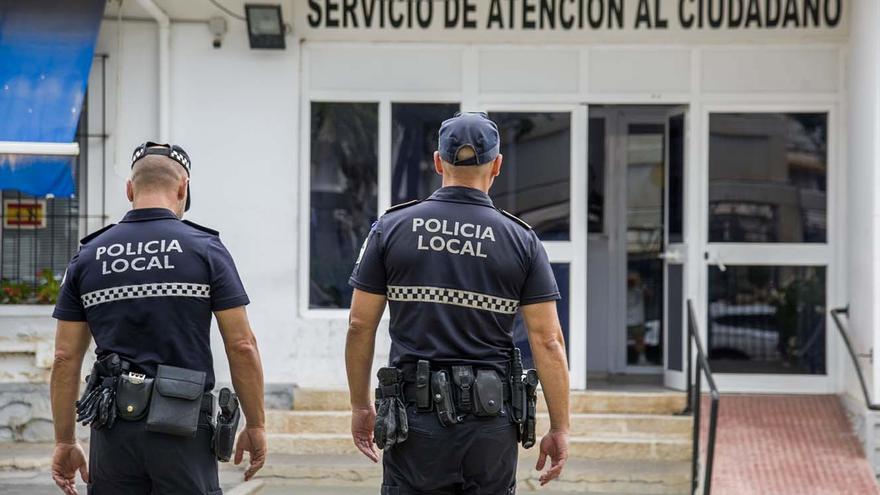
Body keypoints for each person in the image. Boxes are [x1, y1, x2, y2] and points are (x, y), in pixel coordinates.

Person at [345, 112, 571, 494]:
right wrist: (560, 427)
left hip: (414, 426)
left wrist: (360, 405)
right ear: (497, 165)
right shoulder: (522, 240)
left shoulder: (392, 228)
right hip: (491, 425)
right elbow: (548, 340)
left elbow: (359, 325)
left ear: (438, 161)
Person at [49, 142, 266, 495]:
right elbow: (242, 345)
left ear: (130, 189)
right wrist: (256, 424)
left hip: (112, 428)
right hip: (183, 425)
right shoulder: (205, 249)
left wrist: (64, 441)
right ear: (183, 187)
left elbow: (64, 357)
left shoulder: (88, 256)